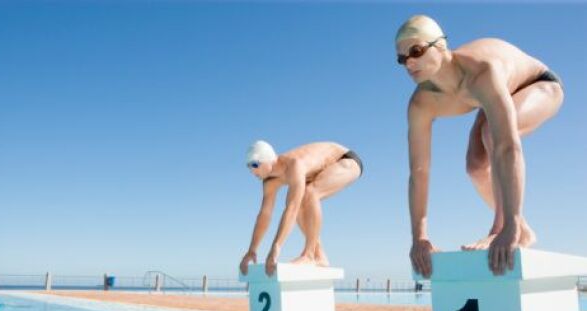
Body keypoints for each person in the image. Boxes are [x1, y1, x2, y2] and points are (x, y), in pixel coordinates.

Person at [397, 15, 563, 277]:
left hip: (540, 84)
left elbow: (508, 147)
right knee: (475, 167)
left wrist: (510, 225)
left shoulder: (482, 73)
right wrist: (419, 237)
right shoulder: (421, 103)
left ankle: (507, 226)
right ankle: (524, 229)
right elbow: (419, 172)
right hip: (498, 97)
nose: (409, 62)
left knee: (492, 136)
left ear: (439, 45)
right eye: (402, 58)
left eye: (415, 51)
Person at [239, 140, 363, 276]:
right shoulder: (269, 182)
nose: (252, 171)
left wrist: (276, 247)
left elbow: (292, 208)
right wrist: (252, 249)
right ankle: (320, 255)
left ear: (268, 159)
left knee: (309, 193)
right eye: (249, 166)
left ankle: (309, 254)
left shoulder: (293, 165)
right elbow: (265, 215)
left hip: (346, 161)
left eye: (255, 164)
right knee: (297, 197)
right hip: (319, 170)